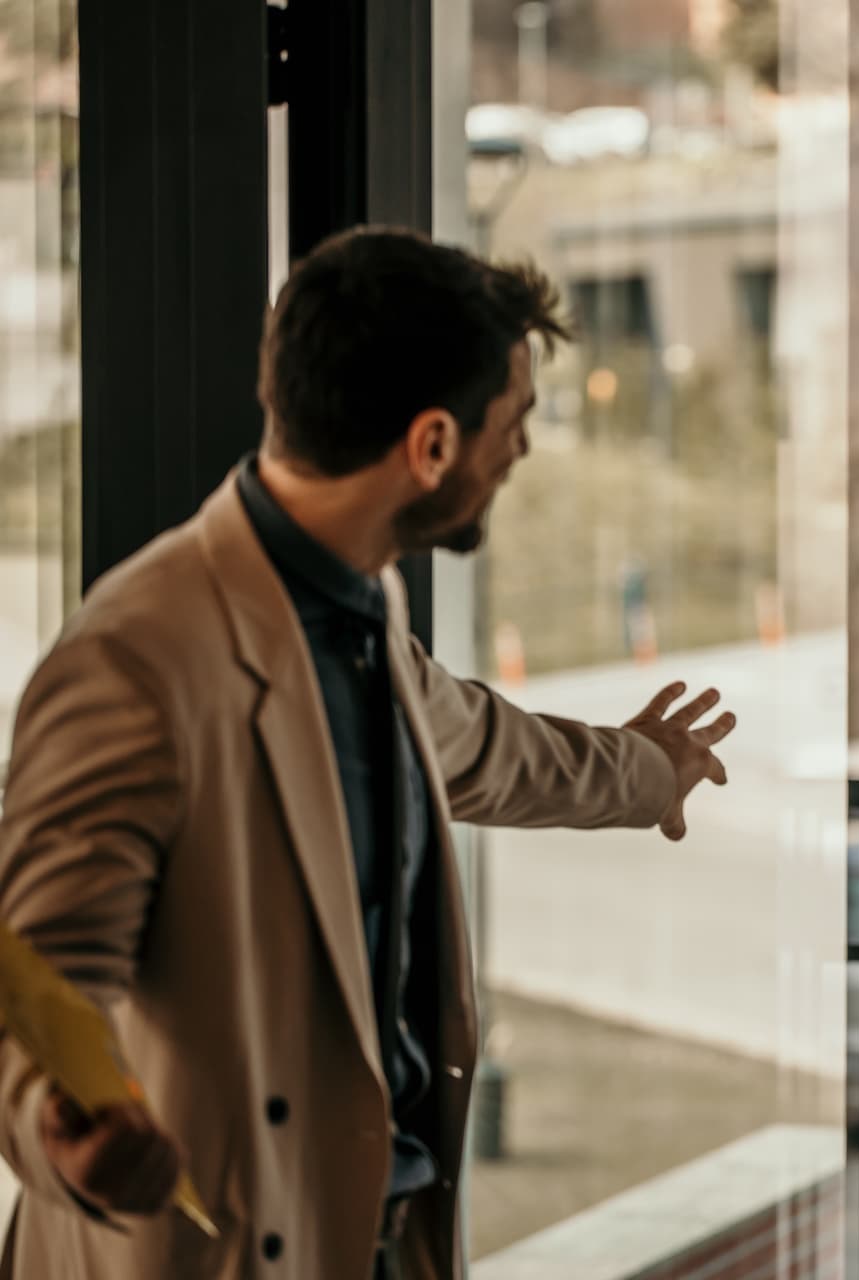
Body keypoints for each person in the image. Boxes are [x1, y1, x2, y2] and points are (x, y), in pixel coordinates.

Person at [0, 228, 736, 1279]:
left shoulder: (356, 601)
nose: (522, 454)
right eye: (513, 425)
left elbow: (475, 738)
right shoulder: (137, 660)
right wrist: (72, 1133)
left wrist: (644, 769)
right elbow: (34, 989)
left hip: (370, 1237)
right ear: (431, 445)